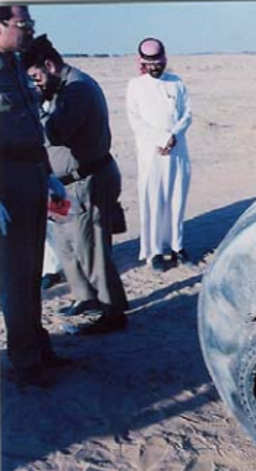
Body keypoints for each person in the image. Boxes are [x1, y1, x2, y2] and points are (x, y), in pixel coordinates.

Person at [23, 34, 129, 334]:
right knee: (65, 245)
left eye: (36, 77)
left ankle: (113, 311)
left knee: (91, 249)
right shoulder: (59, 88)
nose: (36, 84)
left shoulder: (77, 89)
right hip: (61, 187)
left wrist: (33, 110)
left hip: (85, 184)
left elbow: (56, 133)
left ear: (49, 65)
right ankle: (86, 298)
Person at [0, 5, 69, 386]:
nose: (29, 31)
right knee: (13, 274)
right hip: (5, 182)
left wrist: (48, 176)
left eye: (31, 25)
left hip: (30, 175)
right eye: (23, 25)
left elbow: (30, 127)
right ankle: (25, 362)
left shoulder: (15, 65)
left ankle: (40, 347)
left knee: (31, 270)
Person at [126, 37, 192, 272]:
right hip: (151, 154)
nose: (155, 67)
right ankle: (153, 252)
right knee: (153, 201)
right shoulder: (135, 85)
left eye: (158, 62)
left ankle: (177, 246)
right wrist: (161, 139)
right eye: (149, 63)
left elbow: (187, 114)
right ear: (142, 62)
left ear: (165, 59)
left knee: (177, 200)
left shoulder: (177, 83)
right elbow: (136, 121)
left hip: (178, 152)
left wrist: (173, 136)